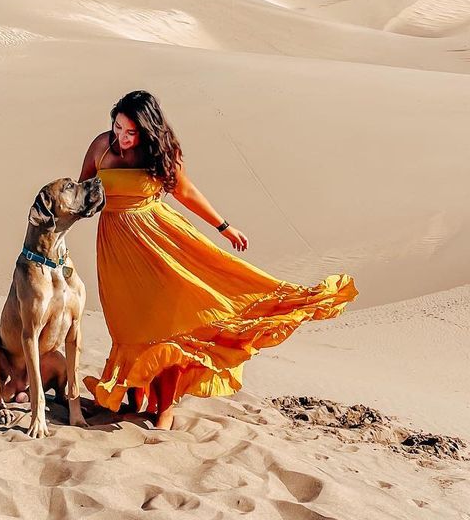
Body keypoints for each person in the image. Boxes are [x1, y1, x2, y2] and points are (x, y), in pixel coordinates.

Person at [78, 90, 358, 430]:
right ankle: (136, 402)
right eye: (118, 127)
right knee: (126, 326)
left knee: (166, 328)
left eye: (130, 132)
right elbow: (81, 191)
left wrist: (224, 227)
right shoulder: (101, 146)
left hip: (161, 245)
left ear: (148, 131)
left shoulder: (161, 154)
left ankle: (164, 408)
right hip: (116, 250)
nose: (121, 137)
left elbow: (186, 192)